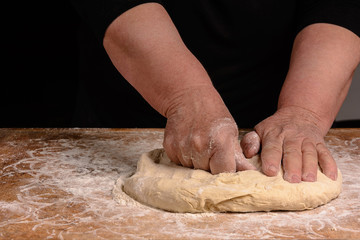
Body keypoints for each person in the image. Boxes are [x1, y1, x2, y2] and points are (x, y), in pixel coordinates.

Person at [70, 1, 360, 183]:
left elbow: (339, 7)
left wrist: (303, 112)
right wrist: (184, 94)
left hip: (270, 128)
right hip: (125, 120)